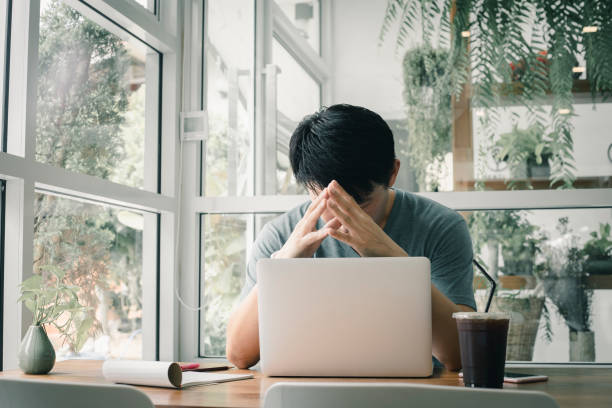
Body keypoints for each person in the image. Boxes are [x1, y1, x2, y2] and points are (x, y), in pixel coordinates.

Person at [226, 104, 476, 371]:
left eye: (358, 204)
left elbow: (460, 355)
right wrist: (281, 268)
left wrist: (395, 262)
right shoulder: (281, 233)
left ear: (392, 172)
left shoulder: (441, 227)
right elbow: (239, 355)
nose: (340, 217)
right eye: (325, 200)